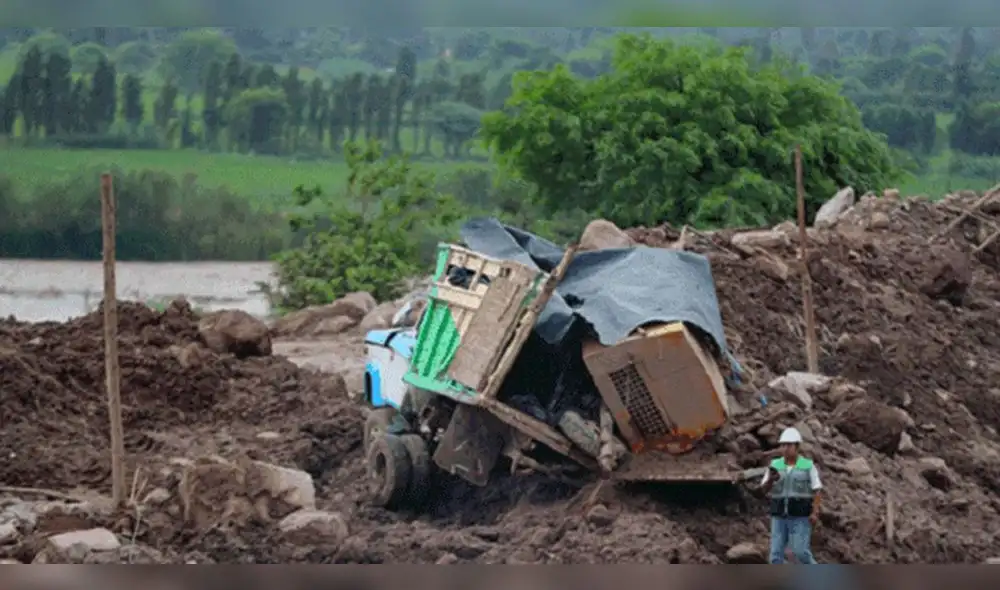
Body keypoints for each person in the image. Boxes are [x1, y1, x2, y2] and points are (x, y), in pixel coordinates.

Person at [760, 427, 822, 564]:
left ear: (797, 446)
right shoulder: (774, 465)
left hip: (800, 516)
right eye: (783, 445)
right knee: (775, 556)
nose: (785, 448)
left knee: (800, 552)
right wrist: (771, 479)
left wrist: (815, 512)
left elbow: (817, 489)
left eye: (789, 445)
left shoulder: (807, 466)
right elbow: (763, 490)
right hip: (779, 516)